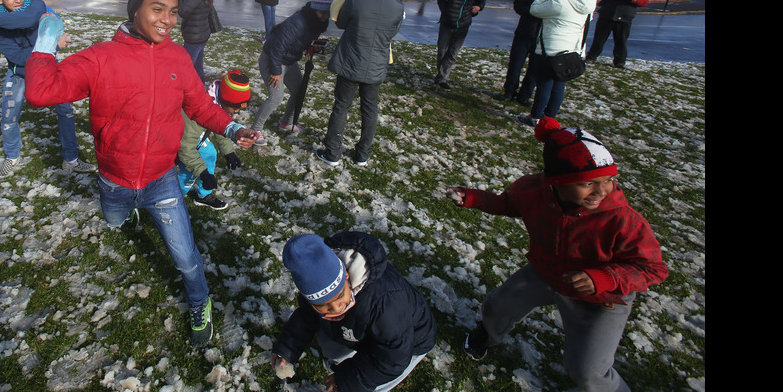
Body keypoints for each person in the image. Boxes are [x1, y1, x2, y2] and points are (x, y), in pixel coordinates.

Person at [23, 0, 259, 347]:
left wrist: (232, 130)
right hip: (114, 179)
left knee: (185, 256)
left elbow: (200, 105)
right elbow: (39, 92)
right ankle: (127, 211)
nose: (167, 20)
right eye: (157, 9)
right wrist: (46, 40)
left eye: (173, 12)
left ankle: (200, 302)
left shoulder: (179, 58)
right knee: (116, 221)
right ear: (135, 9)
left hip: (161, 179)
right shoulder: (101, 58)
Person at [448, 117, 668, 392]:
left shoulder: (622, 218)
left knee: (587, 372)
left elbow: (653, 268)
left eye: (609, 180)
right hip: (547, 272)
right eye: (587, 184)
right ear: (556, 182)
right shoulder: (533, 190)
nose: (602, 191)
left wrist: (604, 279)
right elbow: (508, 204)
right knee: (496, 306)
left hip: (602, 296)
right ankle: (488, 334)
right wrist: (473, 198)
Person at [0, 0, 95, 178]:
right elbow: (18, 56)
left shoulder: (33, 3)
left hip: (50, 69)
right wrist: (52, 45)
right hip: (19, 72)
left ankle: (71, 158)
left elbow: (27, 19)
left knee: (66, 112)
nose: (18, 0)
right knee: (9, 116)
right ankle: (12, 155)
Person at [271, 231, 437, 392]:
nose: (336, 307)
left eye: (341, 295)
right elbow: (306, 316)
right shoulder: (317, 288)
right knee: (324, 326)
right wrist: (287, 349)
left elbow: (394, 356)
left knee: (365, 383)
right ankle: (345, 360)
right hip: (364, 329)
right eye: (324, 305)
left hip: (410, 342)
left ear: (348, 277)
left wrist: (349, 379)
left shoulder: (384, 301)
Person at [316, 0, 403, 167]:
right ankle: (362, 154)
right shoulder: (398, 7)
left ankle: (333, 152)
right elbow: (392, 32)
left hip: (351, 62)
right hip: (376, 66)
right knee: (370, 109)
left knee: (341, 106)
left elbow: (342, 22)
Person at [251, 0, 334, 144]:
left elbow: (300, 41)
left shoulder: (316, 22)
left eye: (327, 12)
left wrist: (312, 45)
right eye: (322, 12)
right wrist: (275, 72)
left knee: (299, 91)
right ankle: (255, 129)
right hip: (272, 59)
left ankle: (286, 123)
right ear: (315, 9)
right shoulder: (299, 22)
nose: (325, 16)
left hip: (289, 60)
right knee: (276, 97)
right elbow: (277, 47)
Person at [522, 0, 597, 126]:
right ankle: (549, 117)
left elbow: (534, 9)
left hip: (549, 50)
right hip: (570, 51)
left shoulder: (560, 2)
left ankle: (535, 117)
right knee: (559, 86)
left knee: (544, 85)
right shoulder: (586, 5)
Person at [176, 70, 252, 210]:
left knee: (210, 153)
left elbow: (218, 124)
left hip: (193, 138)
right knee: (189, 169)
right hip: (180, 139)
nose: (236, 112)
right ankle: (174, 197)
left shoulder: (217, 99)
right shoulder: (195, 112)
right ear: (225, 100)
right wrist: (203, 173)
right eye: (235, 108)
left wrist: (228, 152)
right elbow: (185, 148)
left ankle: (203, 195)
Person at [501, 0, 563, 104]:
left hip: (545, 35)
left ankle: (525, 95)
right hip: (525, 31)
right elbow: (518, 5)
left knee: (535, 68)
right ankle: (509, 91)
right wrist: (533, 12)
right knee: (515, 64)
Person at [433, 0, 488, 90]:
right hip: (447, 22)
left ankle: (442, 78)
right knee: (442, 50)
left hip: (464, 23)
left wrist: (478, 8)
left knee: (453, 53)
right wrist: (447, 12)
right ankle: (440, 73)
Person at [585, 0, 650, 69]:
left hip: (625, 18)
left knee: (621, 41)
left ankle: (619, 61)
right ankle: (591, 57)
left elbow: (645, 0)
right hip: (607, 15)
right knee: (599, 39)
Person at [179, 0, 215, 82]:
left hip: (194, 36)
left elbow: (183, 11)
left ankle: (188, 92)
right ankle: (200, 86)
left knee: (185, 68)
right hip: (201, 33)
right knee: (197, 66)